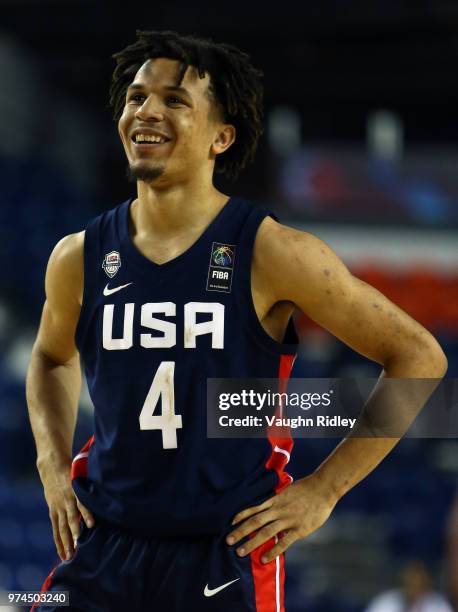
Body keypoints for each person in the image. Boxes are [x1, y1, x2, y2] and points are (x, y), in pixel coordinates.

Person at [26, 30, 448, 612]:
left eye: (175, 100)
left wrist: (323, 491)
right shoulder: (79, 255)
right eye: (136, 95)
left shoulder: (275, 252)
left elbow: (419, 357)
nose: (146, 110)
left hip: (222, 553)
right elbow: (51, 356)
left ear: (221, 137)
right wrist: (51, 465)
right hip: (103, 545)